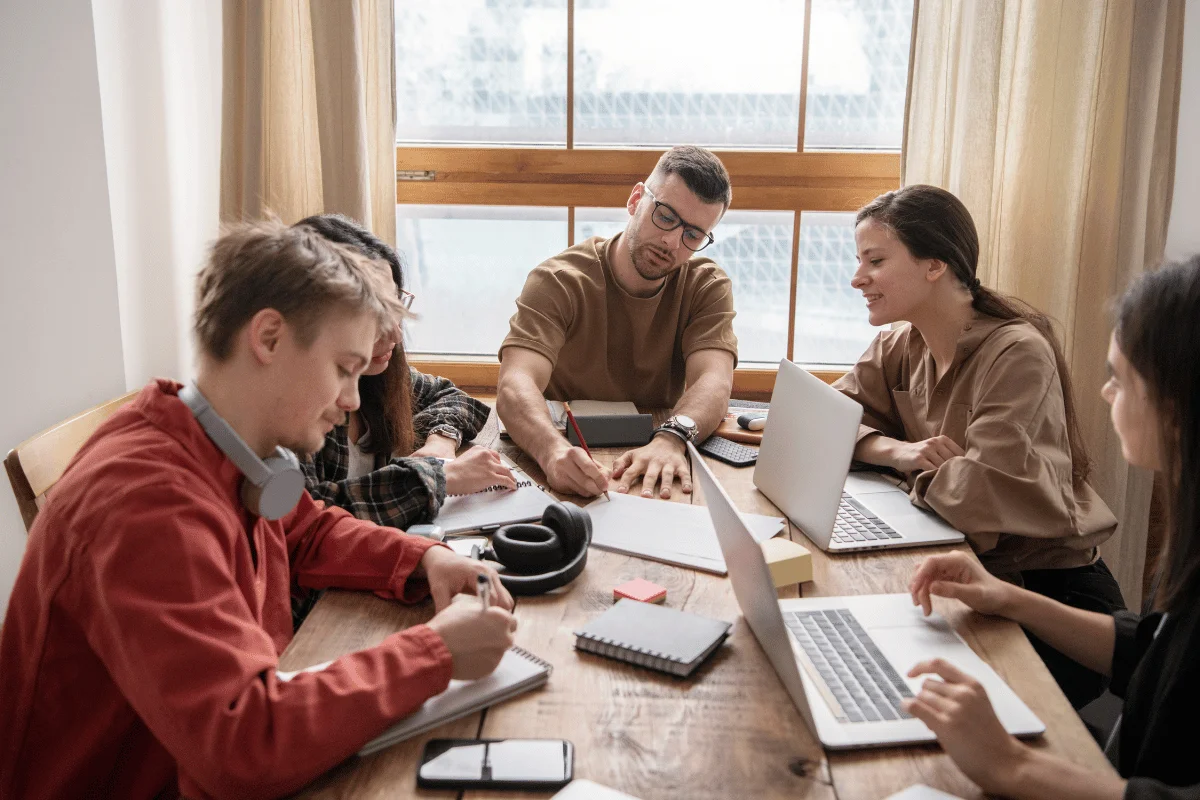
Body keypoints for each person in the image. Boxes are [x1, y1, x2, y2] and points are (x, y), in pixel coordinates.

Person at [0, 220, 517, 800]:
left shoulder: (228, 444)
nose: (352, 398)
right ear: (268, 337)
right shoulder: (144, 503)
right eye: (343, 369)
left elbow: (308, 532)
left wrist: (426, 559)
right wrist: (436, 652)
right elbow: (243, 741)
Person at [904, 256, 1200, 799]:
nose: (1107, 394)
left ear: (1178, 404)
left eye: (1118, 378)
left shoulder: (1012, 348)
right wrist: (1008, 600)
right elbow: (1157, 651)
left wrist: (1012, 765)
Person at [834, 184, 1124, 708]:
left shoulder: (1017, 353)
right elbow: (823, 423)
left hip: (1048, 594)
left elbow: (975, 499)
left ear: (934, 265)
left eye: (874, 261)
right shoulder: (902, 343)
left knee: (893, 694)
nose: (857, 278)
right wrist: (896, 452)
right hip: (968, 573)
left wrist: (908, 468)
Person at [290, 215, 516, 627]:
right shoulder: (288, 413)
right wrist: (436, 476)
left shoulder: (378, 378)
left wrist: (439, 445)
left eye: (396, 308)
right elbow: (315, 521)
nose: (394, 335)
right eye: (375, 315)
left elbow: (449, 396)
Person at [497, 145, 738, 500]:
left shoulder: (706, 285)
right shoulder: (559, 280)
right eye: (666, 216)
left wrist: (673, 438)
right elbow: (515, 383)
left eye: (693, 235)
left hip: (661, 453)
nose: (672, 241)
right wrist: (552, 452)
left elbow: (715, 380)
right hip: (563, 453)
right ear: (636, 199)